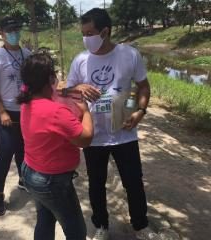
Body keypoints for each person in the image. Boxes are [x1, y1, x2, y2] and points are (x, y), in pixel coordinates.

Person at [67, 8, 161, 240]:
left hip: (124, 133)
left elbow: (143, 86)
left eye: (90, 33)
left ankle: (141, 225)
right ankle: (101, 226)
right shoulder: (80, 60)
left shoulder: (129, 55)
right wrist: (76, 88)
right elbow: (67, 91)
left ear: (105, 32)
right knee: (96, 184)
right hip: (94, 135)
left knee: (133, 182)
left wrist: (140, 111)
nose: (85, 38)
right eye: (83, 33)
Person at [17, 53, 93, 240]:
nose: (57, 79)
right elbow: (85, 139)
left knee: (45, 218)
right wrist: (86, 112)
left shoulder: (27, 102)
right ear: (49, 79)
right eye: (54, 75)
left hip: (32, 172)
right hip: (52, 181)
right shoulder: (56, 112)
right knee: (76, 230)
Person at [0, 16, 32, 216]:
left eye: (16, 30)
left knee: (24, 147)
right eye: (9, 31)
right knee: (6, 151)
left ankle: (24, 180)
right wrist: (2, 111)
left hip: (26, 111)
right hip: (5, 112)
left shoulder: (27, 54)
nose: (14, 34)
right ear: (1, 33)